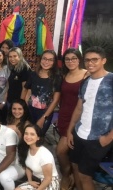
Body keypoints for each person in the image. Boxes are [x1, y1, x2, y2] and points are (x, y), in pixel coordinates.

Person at [67, 46, 113, 190]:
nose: (90, 63)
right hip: (79, 133)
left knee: (85, 175)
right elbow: (79, 107)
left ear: (103, 60)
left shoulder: (111, 80)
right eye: (87, 60)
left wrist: (109, 137)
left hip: (98, 138)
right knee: (74, 166)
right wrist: (70, 131)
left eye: (95, 59)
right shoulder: (85, 82)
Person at [56, 48, 87, 190]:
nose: (70, 61)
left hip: (79, 119)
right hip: (64, 115)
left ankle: (67, 175)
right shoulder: (65, 75)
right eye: (67, 59)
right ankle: (68, 175)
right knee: (66, 151)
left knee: (61, 150)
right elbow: (63, 98)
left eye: (73, 58)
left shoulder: (86, 75)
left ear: (79, 59)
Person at [24, 50, 62, 136]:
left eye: (50, 60)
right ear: (40, 59)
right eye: (44, 59)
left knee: (38, 136)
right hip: (30, 110)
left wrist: (44, 118)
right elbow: (27, 91)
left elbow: (55, 100)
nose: (46, 62)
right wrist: (25, 107)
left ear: (54, 62)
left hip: (45, 113)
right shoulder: (33, 74)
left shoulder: (57, 78)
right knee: (27, 135)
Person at [16, 124, 59, 190]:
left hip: (49, 182)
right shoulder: (27, 148)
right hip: (36, 179)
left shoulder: (44, 155)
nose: (28, 136)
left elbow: (48, 179)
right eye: (26, 133)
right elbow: (28, 166)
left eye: (32, 134)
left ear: (38, 137)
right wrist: (30, 181)